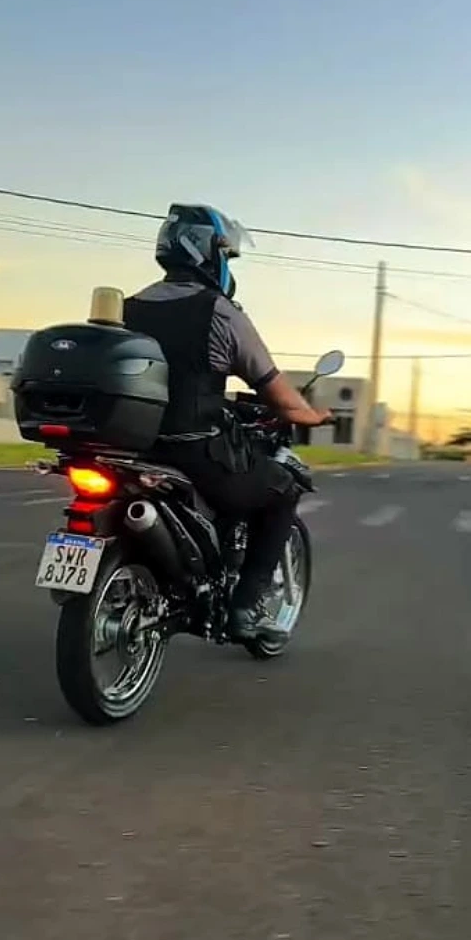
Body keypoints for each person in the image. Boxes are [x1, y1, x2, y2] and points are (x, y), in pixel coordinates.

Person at [123, 203, 331, 643]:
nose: (227, 263)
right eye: (226, 254)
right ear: (206, 251)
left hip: (132, 448)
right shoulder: (218, 311)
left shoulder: (128, 308)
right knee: (282, 490)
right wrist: (312, 415)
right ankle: (245, 608)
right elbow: (277, 392)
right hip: (192, 452)